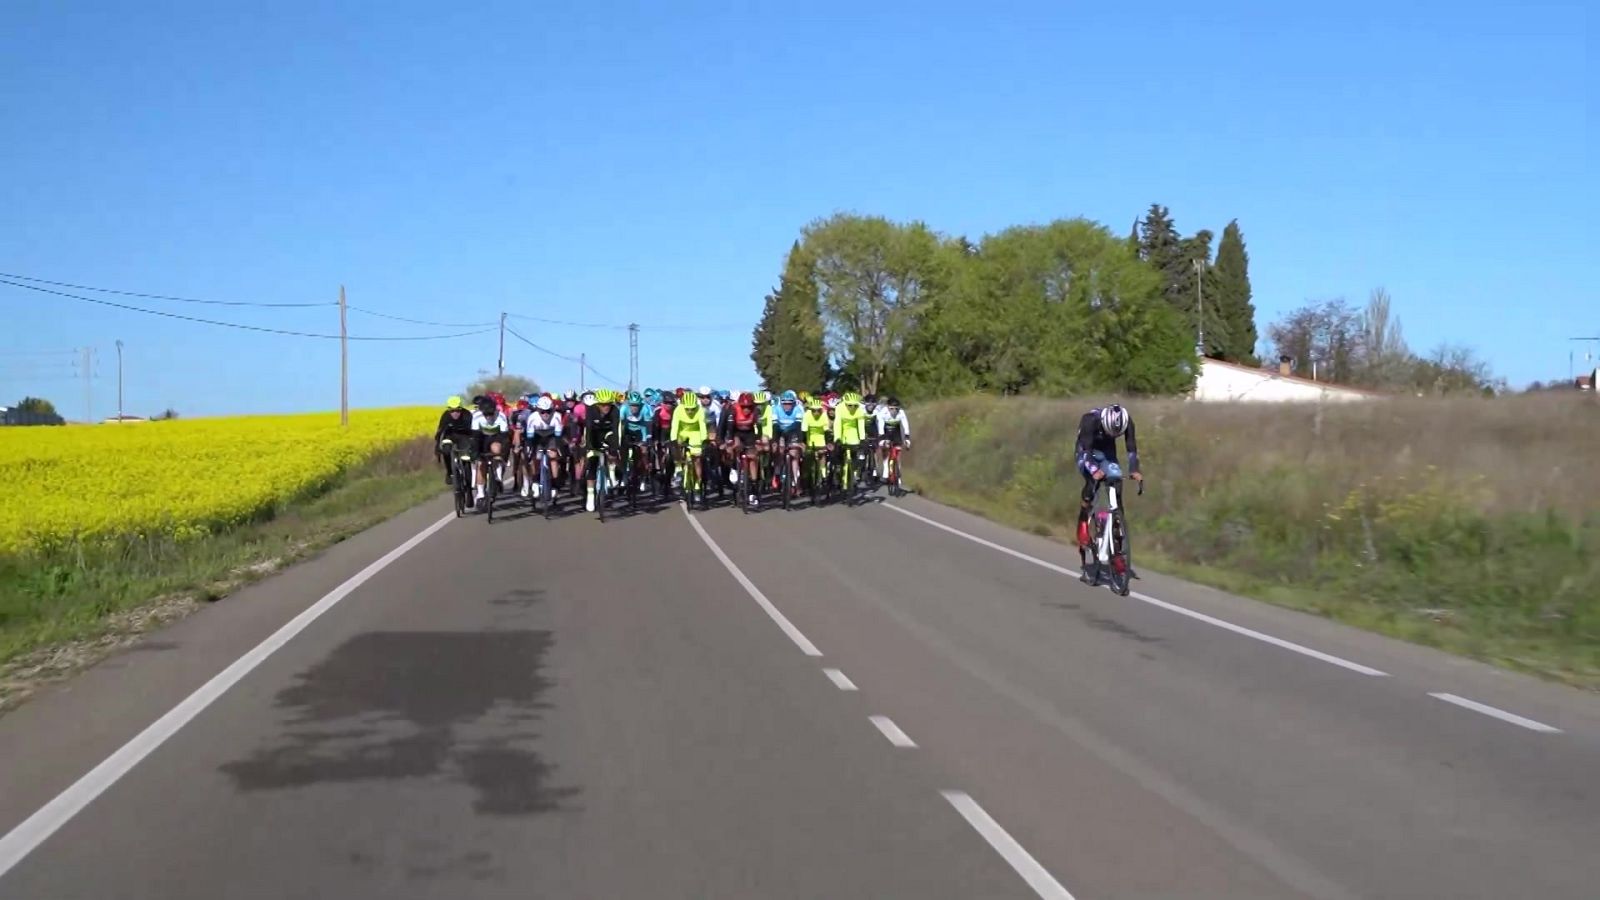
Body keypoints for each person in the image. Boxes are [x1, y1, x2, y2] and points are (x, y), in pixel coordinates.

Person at [1074, 403, 1142, 558]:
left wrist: (1134, 469)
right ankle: (1083, 521)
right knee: (1092, 480)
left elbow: (1131, 448)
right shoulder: (1089, 420)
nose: (1114, 436)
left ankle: (1117, 544)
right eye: (1110, 433)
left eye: (1116, 435)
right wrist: (1094, 470)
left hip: (1107, 450)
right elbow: (1086, 451)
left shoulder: (1127, 421)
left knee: (1117, 486)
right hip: (1086, 448)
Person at [721, 392, 765, 508]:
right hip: (736, 432)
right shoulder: (733, 410)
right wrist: (729, 441)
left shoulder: (756, 411)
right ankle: (734, 468)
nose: (746, 410)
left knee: (753, 456)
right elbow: (729, 428)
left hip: (749, 433)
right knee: (734, 446)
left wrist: (759, 440)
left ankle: (754, 485)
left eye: (749, 407)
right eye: (744, 407)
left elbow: (759, 428)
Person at [671, 388, 711, 507]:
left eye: (692, 409)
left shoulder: (699, 410)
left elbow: (702, 426)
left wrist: (704, 440)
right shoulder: (678, 410)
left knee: (697, 459)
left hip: (695, 433)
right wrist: (674, 441)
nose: (689, 411)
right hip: (682, 433)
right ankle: (678, 469)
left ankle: (697, 486)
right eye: (687, 409)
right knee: (676, 448)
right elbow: (674, 426)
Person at [471, 395, 512, 508]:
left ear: (495, 410)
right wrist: (476, 454)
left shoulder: (501, 417)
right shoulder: (477, 417)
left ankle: (498, 477)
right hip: (482, 438)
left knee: (497, 449)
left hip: (496, 437)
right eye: (486, 414)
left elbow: (505, 439)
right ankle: (480, 494)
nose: (489, 417)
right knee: (481, 465)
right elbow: (475, 438)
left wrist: (503, 456)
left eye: (491, 414)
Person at [583, 390, 621, 512]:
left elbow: (616, 430)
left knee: (613, 448)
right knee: (592, 463)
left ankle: (611, 471)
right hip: (593, 434)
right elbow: (588, 429)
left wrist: (615, 448)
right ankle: (590, 495)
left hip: (608, 433)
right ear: (598, 404)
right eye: (603, 405)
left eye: (608, 404)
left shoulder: (615, 411)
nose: (606, 407)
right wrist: (589, 445)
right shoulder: (591, 410)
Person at [523, 395, 564, 497]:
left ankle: (554, 484)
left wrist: (559, 449)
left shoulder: (557, 416)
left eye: (548, 411)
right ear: (538, 410)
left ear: (552, 410)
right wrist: (529, 449)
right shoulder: (532, 418)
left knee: (553, 457)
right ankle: (536, 480)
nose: (545, 414)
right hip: (537, 438)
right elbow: (530, 439)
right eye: (542, 411)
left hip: (551, 437)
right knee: (535, 457)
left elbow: (558, 437)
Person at [769, 390, 806, 496]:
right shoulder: (775, 409)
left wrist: (799, 442)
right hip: (779, 432)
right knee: (779, 451)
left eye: (790, 403)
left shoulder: (798, 409)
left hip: (793, 432)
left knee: (794, 454)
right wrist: (775, 441)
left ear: (794, 403)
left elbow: (798, 427)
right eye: (785, 403)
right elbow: (775, 427)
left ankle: (795, 482)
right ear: (781, 403)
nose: (787, 406)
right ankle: (777, 472)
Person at [832, 392, 870, 489]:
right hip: (842, 432)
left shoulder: (860, 410)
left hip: (853, 434)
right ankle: (837, 470)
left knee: (856, 455)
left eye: (855, 405)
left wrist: (862, 439)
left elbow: (861, 426)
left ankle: (854, 474)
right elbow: (837, 424)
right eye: (849, 405)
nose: (852, 407)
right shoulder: (839, 408)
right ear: (845, 403)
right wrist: (837, 438)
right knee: (838, 453)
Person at [434, 396, 475, 484]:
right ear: (449, 410)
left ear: (461, 409)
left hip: (464, 436)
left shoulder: (467, 415)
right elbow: (440, 431)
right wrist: (437, 447)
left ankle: (466, 472)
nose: (455, 413)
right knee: (446, 450)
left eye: (457, 410)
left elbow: (473, 432)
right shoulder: (446, 416)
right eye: (452, 411)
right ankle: (450, 473)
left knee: (466, 454)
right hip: (449, 436)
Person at [621, 391, 654, 491]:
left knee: (643, 453)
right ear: (628, 404)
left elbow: (648, 426)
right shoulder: (623, 409)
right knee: (623, 453)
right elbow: (620, 425)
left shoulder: (645, 409)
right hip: (627, 432)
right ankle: (624, 475)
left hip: (641, 431)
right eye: (632, 405)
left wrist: (647, 439)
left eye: (636, 405)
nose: (634, 408)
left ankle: (643, 479)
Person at [877, 396, 911, 483]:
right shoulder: (882, 413)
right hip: (885, 432)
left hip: (896, 432)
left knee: (898, 451)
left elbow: (905, 425)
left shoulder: (901, 413)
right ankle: (886, 470)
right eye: (891, 409)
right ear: (887, 407)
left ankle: (898, 472)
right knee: (884, 447)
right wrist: (882, 438)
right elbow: (880, 426)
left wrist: (907, 437)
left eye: (896, 409)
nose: (894, 411)